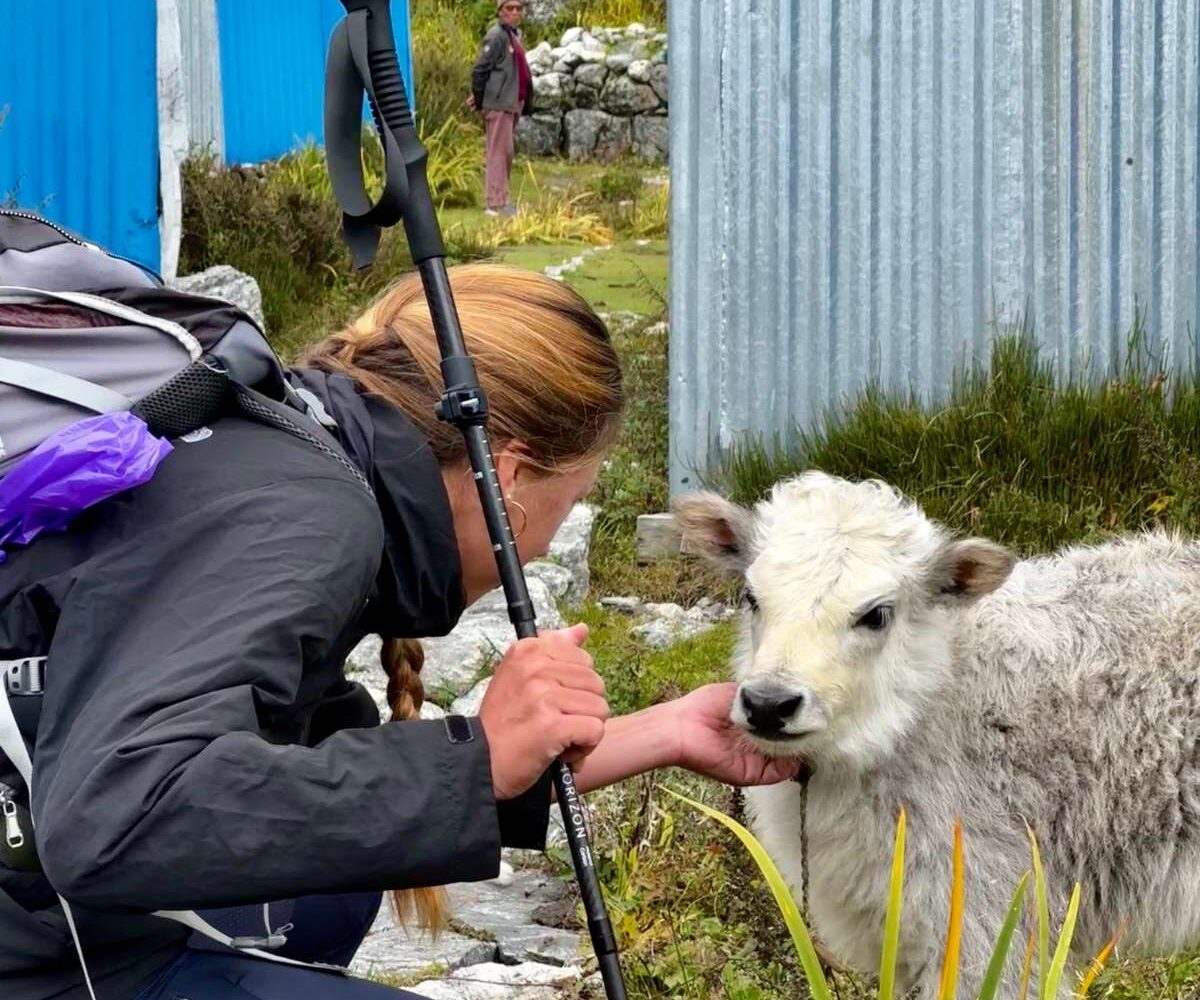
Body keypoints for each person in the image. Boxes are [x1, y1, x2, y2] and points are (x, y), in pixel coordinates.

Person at [0, 263, 800, 1000]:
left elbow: (284, 765)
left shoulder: (295, 450)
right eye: (574, 497)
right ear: (511, 478)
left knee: (331, 893)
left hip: (45, 903)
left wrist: (659, 730)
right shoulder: (306, 513)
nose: (553, 542)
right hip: (48, 950)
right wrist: (478, 764)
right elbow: (119, 814)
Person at [469, 1, 534, 216]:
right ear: (500, 11)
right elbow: (480, 69)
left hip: (511, 103)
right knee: (498, 152)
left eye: (518, 9)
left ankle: (502, 199)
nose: (514, 12)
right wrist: (480, 99)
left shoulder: (513, 36)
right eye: (509, 8)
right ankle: (495, 203)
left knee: (506, 152)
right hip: (499, 104)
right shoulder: (497, 36)